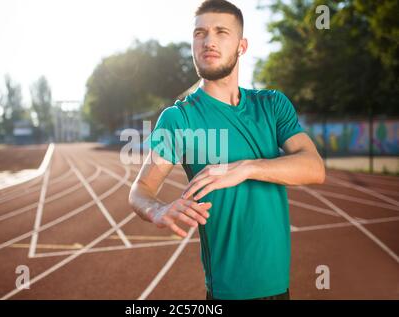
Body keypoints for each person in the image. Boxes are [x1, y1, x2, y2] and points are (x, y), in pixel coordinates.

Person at [129, 0, 325, 300]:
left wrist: (246, 168)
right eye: (200, 33)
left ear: (241, 46)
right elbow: (140, 190)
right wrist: (157, 209)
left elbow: (314, 168)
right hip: (227, 293)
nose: (209, 41)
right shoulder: (179, 119)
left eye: (221, 32)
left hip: (280, 289)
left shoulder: (272, 105)